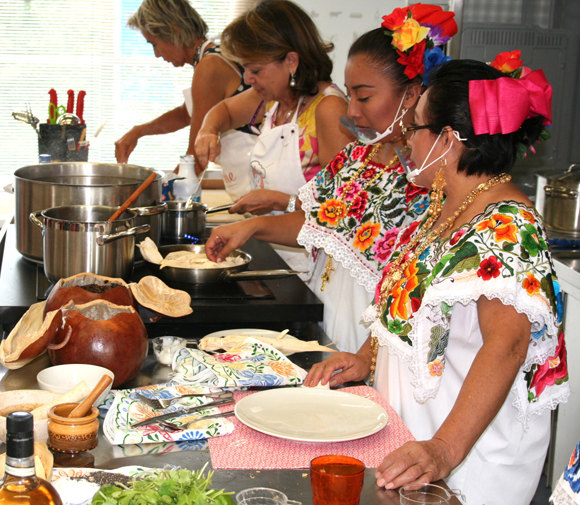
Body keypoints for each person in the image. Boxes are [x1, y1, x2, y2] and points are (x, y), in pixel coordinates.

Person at [305, 56, 570, 505]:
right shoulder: (443, 206)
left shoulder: (507, 226)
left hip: (471, 455)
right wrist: (366, 357)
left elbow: (506, 345)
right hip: (418, 437)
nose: (407, 140)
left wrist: (445, 449)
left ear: (448, 140)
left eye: (416, 128)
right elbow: (415, 303)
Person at [204, 4, 457, 353]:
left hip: (374, 339)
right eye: (350, 94)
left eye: (363, 97)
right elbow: (316, 224)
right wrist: (250, 227)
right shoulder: (356, 157)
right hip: (327, 315)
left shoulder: (426, 179)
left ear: (411, 94)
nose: (351, 110)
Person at [194, 0, 354, 213]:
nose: (248, 78)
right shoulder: (271, 97)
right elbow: (225, 111)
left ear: (291, 61)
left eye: (256, 70)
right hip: (270, 236)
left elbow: (341, 207)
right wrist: (208, 130)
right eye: (245, 69)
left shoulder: (329, 109)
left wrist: (279, 201)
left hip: (307, 246)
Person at [114, 0, 249, 176]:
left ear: (173, 31)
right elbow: (185, 115)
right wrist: (139, 131)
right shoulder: (213, 55)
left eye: (154, 44)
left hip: (254, 175)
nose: (156, 54)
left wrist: (164, 193)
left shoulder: (209, 67)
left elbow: (196, 158)